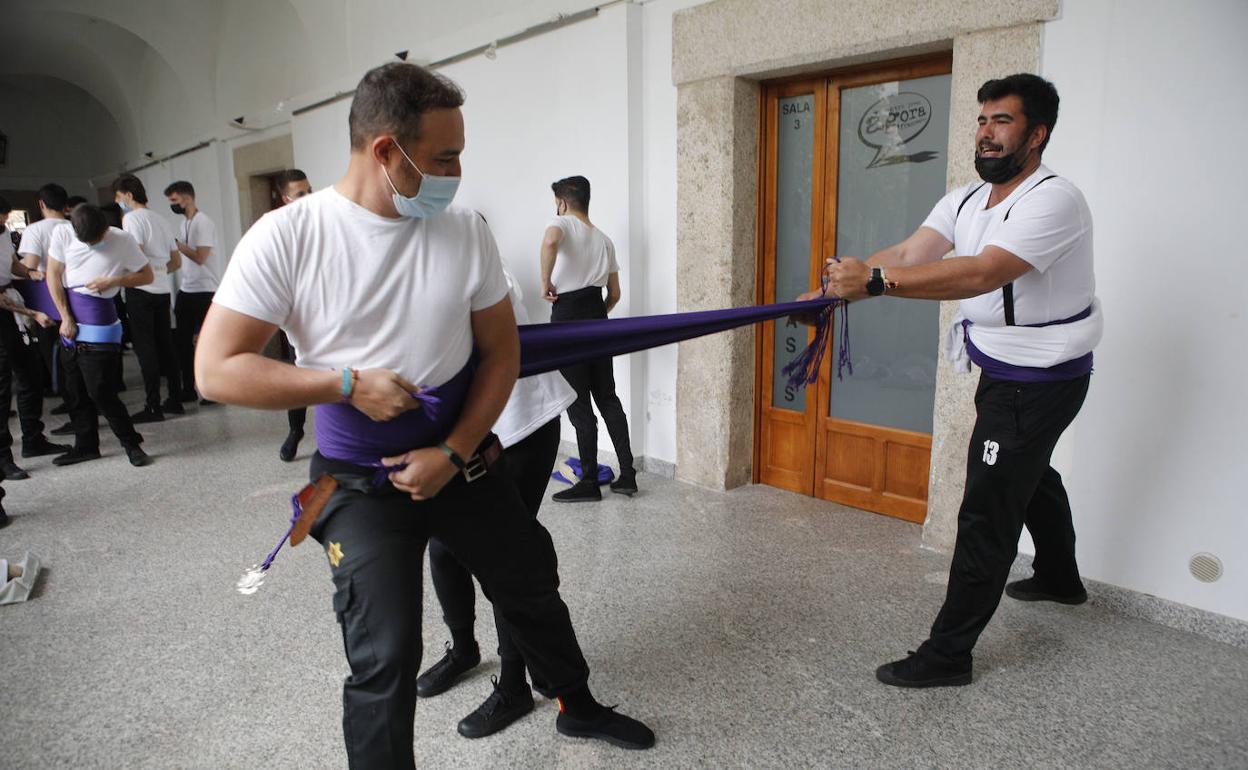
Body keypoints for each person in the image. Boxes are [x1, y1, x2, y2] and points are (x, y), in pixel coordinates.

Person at [196, 62, 655, 767]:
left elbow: (500, 355)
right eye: (445, 157)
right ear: (387, 151)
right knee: (386, 650)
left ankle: (576, 704)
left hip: (461, 459)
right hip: (360, 480)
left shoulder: (463, 229)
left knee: (529, 584)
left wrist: (458, 448)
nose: (458, 172)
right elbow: (216, 368)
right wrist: (344, 384)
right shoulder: (288, 237)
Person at [812, 73, 1101, 688]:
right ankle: (1059, 578)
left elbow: (979, 274)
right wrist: (843, 282)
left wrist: (875, 284)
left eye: (1003, 122)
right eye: (981, 120)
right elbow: (915, 252)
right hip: (1004, 369)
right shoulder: (967, 199)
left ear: (1037, 133)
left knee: (987, 509)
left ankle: (948, 655)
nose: (986, 133)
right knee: (1031, 471)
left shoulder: (1055, 200)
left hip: (1040, 377)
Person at [417, 262, 577, 739]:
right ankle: (464, 649)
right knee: (444, 547)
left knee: (504, 557)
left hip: (520, 426)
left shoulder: (484, 272)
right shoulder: (416, 267)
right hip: (461, 437)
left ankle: (514, 686)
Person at [540, 175, 637, 502]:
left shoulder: (562, 224)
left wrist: (545, 283)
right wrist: (599, 313)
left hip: (568, 318)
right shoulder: (605, 239)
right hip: (598, 317)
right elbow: (615, 294)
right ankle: (627, 475)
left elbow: (551, 241)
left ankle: (590, 482)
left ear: (562, 202)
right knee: (607, 397)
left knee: (579, 402)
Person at [45, 205, 155, 467]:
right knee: (75, 391)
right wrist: (66, 317)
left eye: (97, 240)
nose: (93, 245)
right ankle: (85, 445)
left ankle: (131, 444)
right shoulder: (62, 234)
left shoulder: (122, 239)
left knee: (101, 391)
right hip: (71, 322)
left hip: (100, 322)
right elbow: (53, 274)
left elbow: (147, 275)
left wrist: (115, 281)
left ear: (105, 228)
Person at [0, 195, 67, 479]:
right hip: (4, 309)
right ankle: (4, 458)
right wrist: (33, 312)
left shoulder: (4, 233)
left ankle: (33, 439)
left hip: (12, 307)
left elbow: (12, 264)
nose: (3, 224)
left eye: (4, 218)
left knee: (30, 375)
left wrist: (30, 272)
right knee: (3, 388)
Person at [115, 175, 184, 422]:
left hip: (140, 291)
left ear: (128, 196)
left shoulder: (131, 219)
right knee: (166, 345)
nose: (117, 201)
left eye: (118, 196)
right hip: (162, 290)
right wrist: (159, 273)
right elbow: (176, 261)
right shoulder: (161, 219)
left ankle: (152, 405)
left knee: (146, 349)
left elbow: (136, 256)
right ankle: (176, 399)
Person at [165, 180, 220, 405]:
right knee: (182, 342)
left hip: (205, 290)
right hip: (187, 289)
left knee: (206, 343)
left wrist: (176, 244)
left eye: (174, 201)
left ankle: (212, 391)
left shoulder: (203, 222)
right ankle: (188, 388)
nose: (173, 205)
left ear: (187, 198)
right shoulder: (185, 223)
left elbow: (200, 257)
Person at [17, 183, 72, 400]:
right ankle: (80, 400)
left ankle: (71, 402)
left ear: (41, 204)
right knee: (73, 350)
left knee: (53, 352)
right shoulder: (75, 226)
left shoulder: (35, 229)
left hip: (48, 298)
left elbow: (30, 265)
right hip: (75, 293)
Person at [274, 169, 312, 461]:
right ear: (287, 199)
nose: (308, 198)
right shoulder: (277, 232)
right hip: (298, 313)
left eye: (310, 190)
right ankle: (295, 431)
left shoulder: (324, 221)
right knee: (300, 374)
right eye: (301, 194)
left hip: (329, 309)